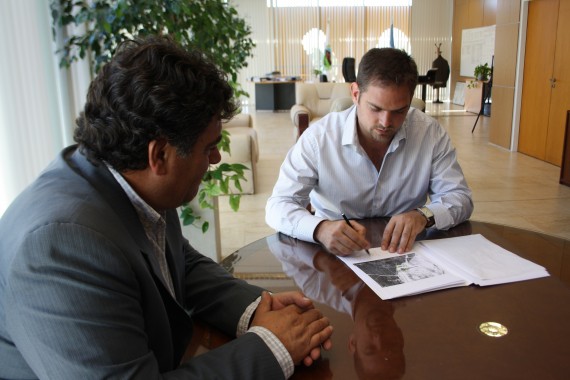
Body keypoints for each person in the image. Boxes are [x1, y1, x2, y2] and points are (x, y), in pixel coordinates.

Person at [0, 36, 333, 379]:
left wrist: (255, 310)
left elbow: (178, 263)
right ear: (159, 155)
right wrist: (272, 345)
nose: (216, 159)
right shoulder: (60, 247)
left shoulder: (126, 176)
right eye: (209, 148)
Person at [266, 48, 473, 256]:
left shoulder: (429, 133)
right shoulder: (318, 139)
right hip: (334, 255)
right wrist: (320, 228)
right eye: (375, 108)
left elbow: (459, 197)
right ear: (355, 94)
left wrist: (424, 215)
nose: (386, 122)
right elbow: (279, 205)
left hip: (407, 252)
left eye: (399, 111)